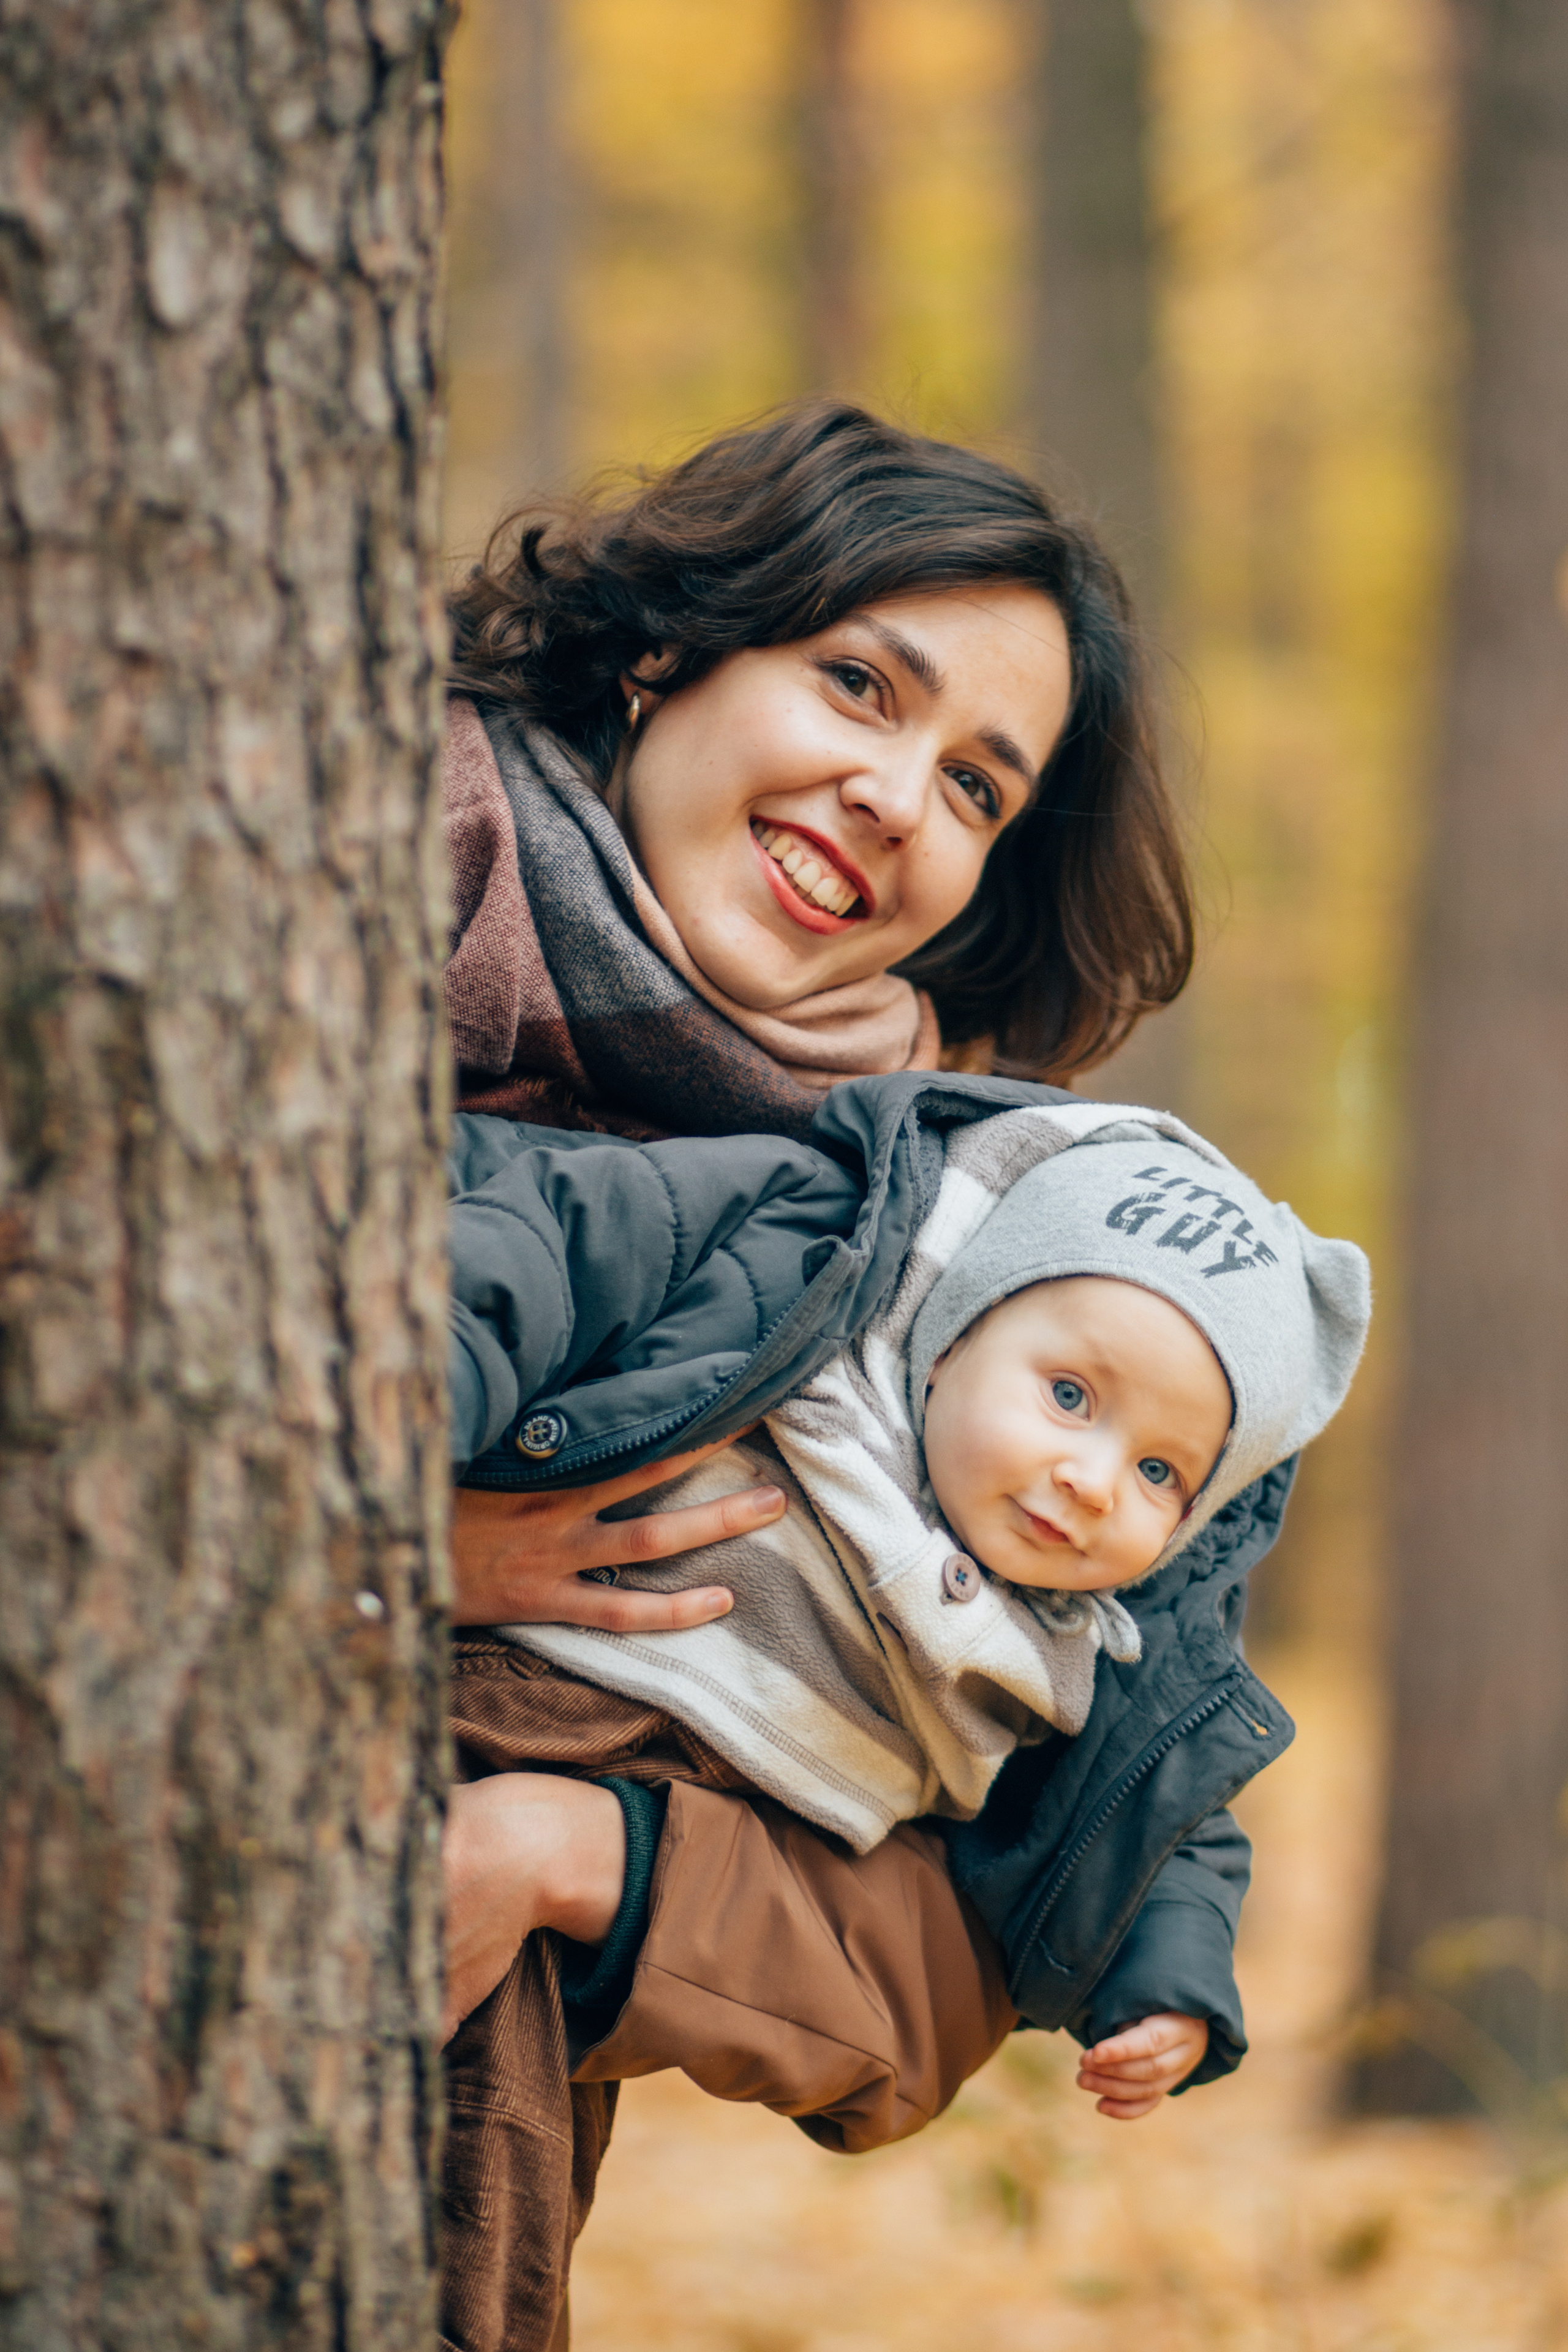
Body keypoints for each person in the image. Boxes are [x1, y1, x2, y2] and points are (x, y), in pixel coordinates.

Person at [432, 402, 1259, 2352]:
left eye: (979, 786)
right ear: (667, 657)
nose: (899, 797)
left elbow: (958, 1940)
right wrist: (393, 1563)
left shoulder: (951, 1247)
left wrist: (593, 1863)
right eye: (858, 686)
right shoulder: (250, 904)